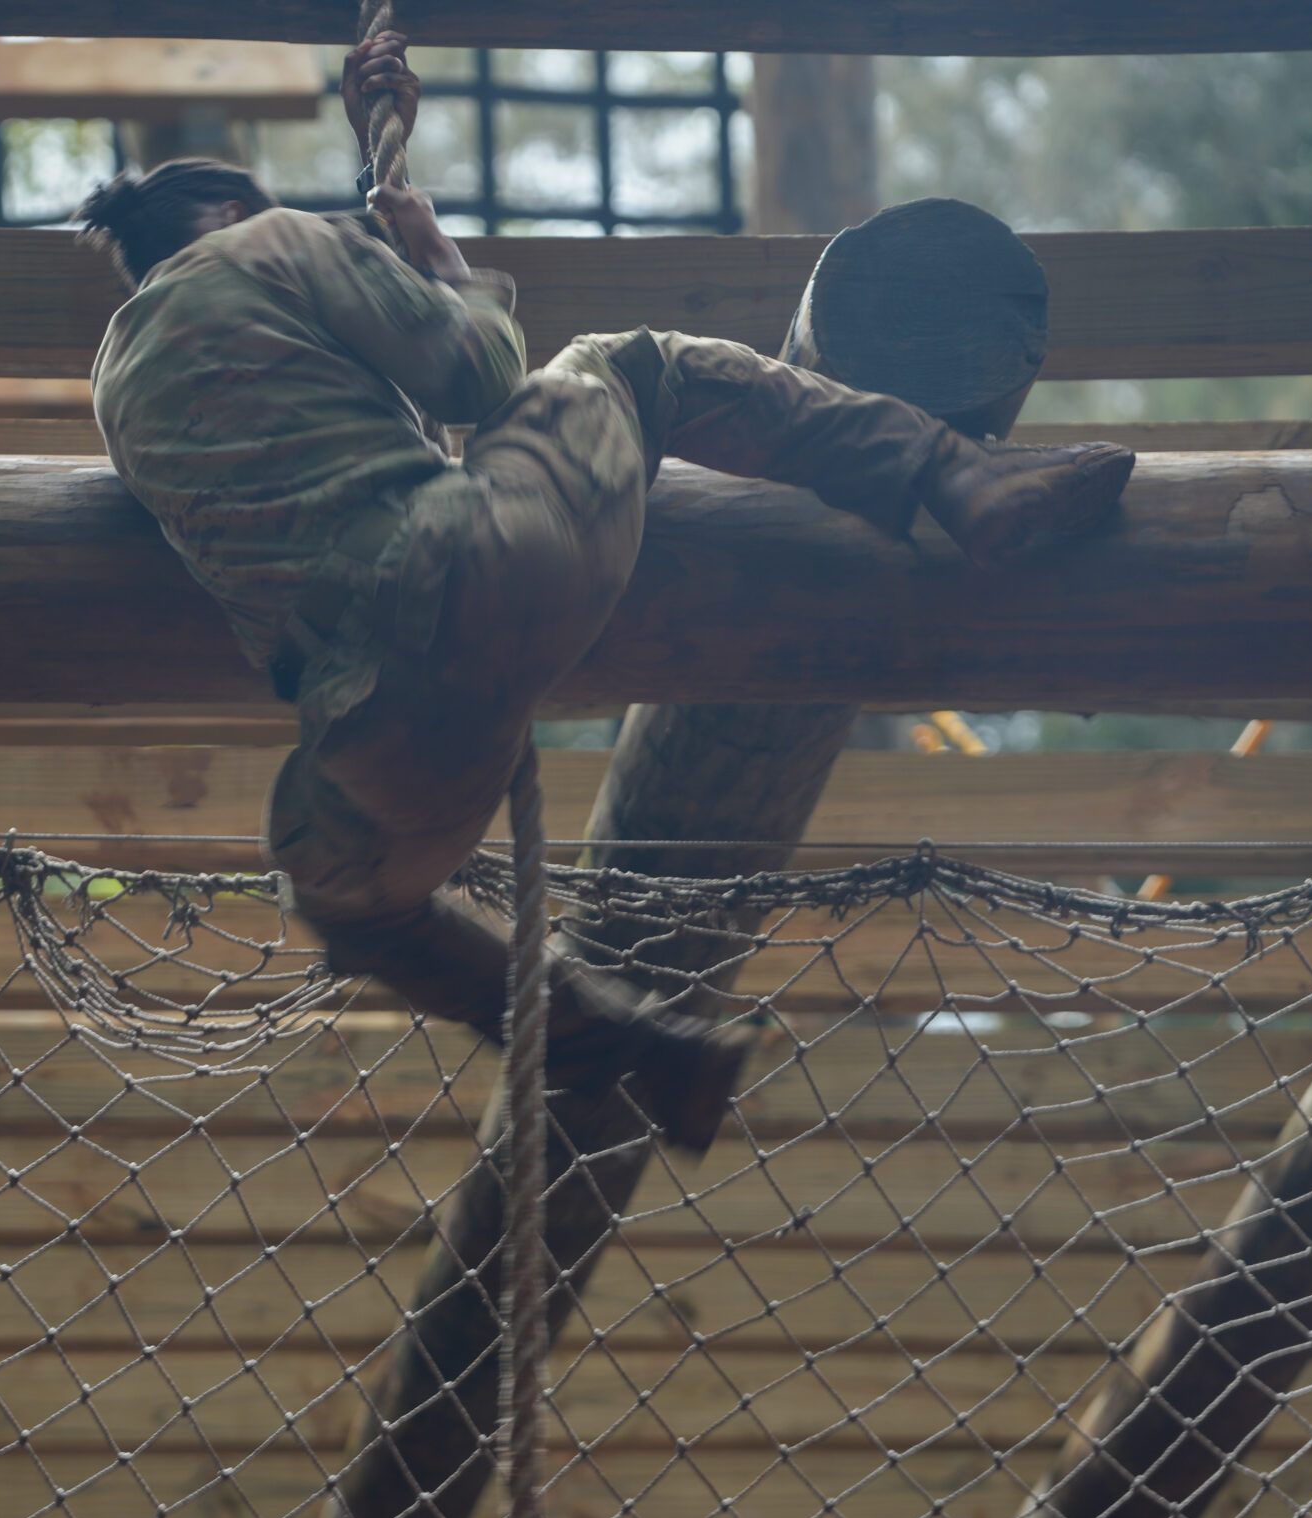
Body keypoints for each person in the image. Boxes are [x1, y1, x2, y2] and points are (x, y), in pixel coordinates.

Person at [79, 35, 1134, 1152]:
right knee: (632, 363)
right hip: (480, 559)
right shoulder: (269, 241)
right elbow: (477, 374)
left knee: (343, 893)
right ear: (230, 212)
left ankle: (617, 1046)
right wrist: (436, 257)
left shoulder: (116, 389)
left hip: (374, 718)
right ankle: (954, 475)